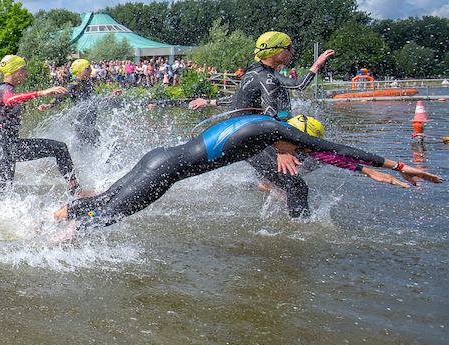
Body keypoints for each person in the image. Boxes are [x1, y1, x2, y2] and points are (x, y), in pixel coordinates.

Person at [54, 114, 441, 235]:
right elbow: (335, 149)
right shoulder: (278, 134)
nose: (299, 155)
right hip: (165, 174)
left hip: (157, 159)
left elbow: (332, 154)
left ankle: (46, 223)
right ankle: (40, 252)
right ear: (296, 136)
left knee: (102, 202)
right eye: (300, 148)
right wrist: (400, 166)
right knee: (105, 217)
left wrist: (364, 172)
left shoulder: (261, 123)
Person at [188, 31, 334, 217]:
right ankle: (301, 230)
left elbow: (237, 100)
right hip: (249, 140)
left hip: (246, 136)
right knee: (297, 186)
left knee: (310, 158)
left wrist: (209, 102)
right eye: (288, 48)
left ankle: (269, 182)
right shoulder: (266, 77)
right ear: (275, 52)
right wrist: (318, 62)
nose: (292, 51)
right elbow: (292, 91)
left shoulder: (255, 72)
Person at [0, 55, 80, 194]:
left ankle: (75, 190)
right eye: (23, 70)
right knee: (60, 148)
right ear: (13, 71)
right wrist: (41, 93)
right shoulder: (5, 90)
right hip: (6, 147)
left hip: (1, 147)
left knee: (2, 194)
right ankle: (75, 191)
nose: (26, 73)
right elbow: (9, 100)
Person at [38, 58, 121, 146]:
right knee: (104, 143)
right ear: (80, 71)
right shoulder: (75, 85)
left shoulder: (88, 84)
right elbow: (62, 96)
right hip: (82, 125)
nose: (91, 70)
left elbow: (95, 101)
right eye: (88, 68)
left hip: (89, 124)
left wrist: (111, 97)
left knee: (94, 146)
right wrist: (49, 105)